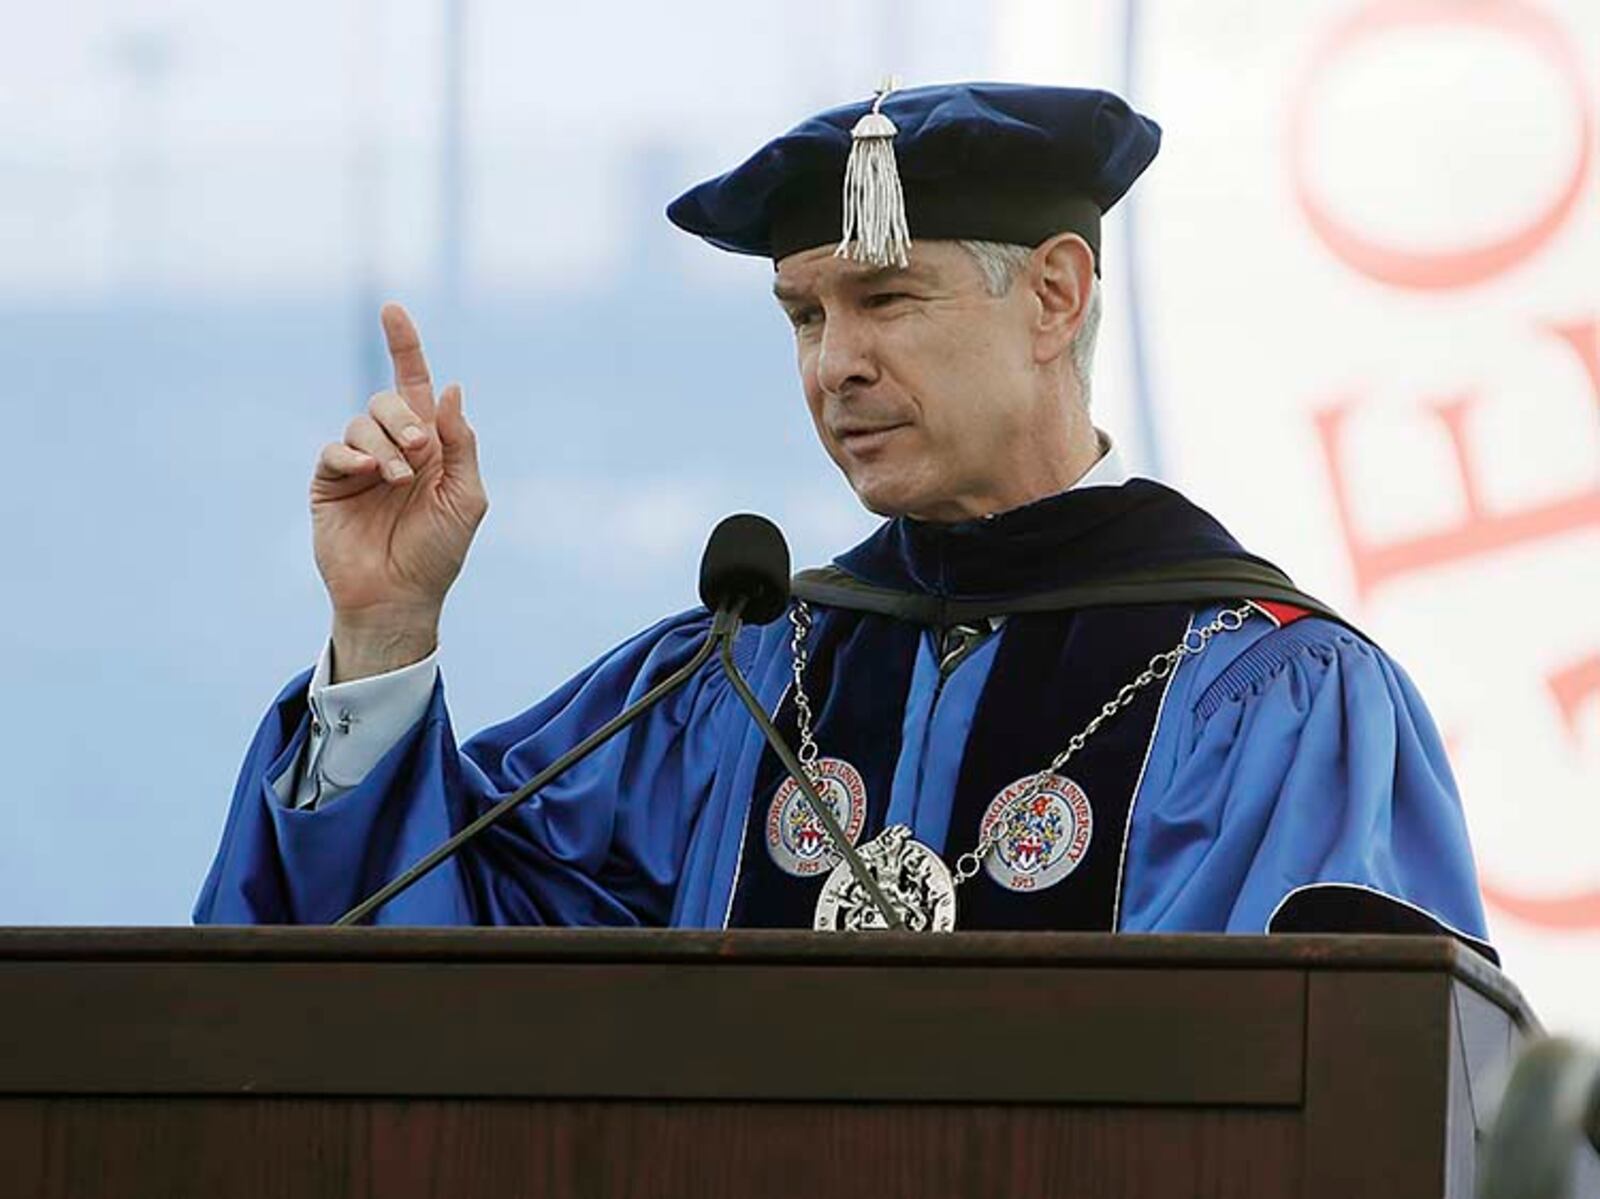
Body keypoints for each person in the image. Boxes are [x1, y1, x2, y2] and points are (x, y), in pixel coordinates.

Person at [195, 82, 1493, 955]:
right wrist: (384, 631)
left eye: (886, 299)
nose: (834, 367)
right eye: (805, 317)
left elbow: (1313, 1083)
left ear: (1053, 297)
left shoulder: (1267, 694)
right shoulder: (742, 678)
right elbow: (423, 963)